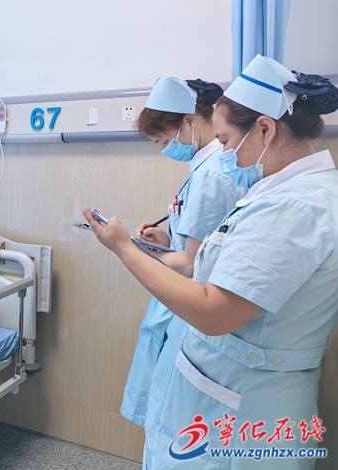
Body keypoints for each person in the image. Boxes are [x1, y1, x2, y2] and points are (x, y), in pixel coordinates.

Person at [84, 55, 338, 469]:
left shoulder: (292, 207)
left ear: (265, 129)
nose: (223, 153)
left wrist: (124, 248)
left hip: (244, 401)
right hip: (231, 388)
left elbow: (214, 311)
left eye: (225, 140)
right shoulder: (283, 195)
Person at [121, 76, 248, 429]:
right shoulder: (207, 168)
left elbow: (192, 263)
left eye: (165, 140)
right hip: (191, 300)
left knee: (171, 417)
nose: (166, 149)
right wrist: (165, 241)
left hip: (194, 304)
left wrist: (128, 249)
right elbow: (198, 243)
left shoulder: (212, 174)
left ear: (189, 121)